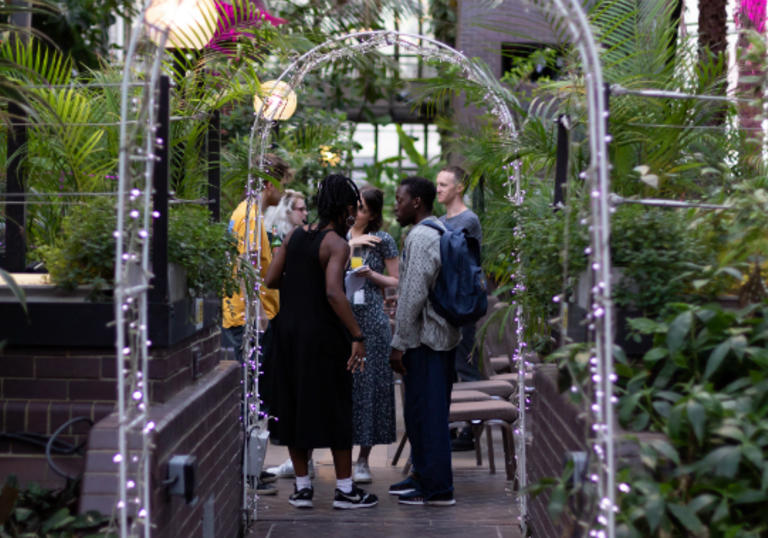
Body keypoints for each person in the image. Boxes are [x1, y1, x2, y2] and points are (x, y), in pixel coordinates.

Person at [265, 173, 378, 510]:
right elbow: (333, 291)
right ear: (344, 208)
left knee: (294, 407)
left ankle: (302, 489)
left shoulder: (295, 236)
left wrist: (298, 282)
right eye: (353, 208)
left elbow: (271, 278)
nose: (353, 214)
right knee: (336, 407)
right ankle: (345, 490)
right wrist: (357, 335)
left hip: (287, 334)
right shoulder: (336, 244)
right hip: (322, 338)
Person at [388, 176, 461, 507]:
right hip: (438, 337)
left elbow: (413, 295)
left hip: (426, 341)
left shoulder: (420, 237)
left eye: (399, 199)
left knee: (428, 415)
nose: (395, 205)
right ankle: (421, 475)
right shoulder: (438, 230)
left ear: (416, 202)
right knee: (421, 412)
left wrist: (398, 342)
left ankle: (437, 488)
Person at [220, 153, 290, 495]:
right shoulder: (249, 216)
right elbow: (248, 268)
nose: (283, 191)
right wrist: (258, 316)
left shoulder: (248, 214)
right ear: (269, 182)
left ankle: (251, 469)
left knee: (253, 396)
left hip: (245, 315)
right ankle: (248, 472)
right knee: (250, 396)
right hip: (245, 318)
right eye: (282, 182)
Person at [346, 187, 399, 483]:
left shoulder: (383, 241)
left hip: (372, 319)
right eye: (355, 207)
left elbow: (395, 279)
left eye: (363, 209)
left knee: (370, 386)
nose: (357, 213)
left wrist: (371, 275)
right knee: (342, 386)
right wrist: (350, 243)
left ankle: (363, 459)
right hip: (342, 319)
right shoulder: (338, 236)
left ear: (374, 214)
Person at [436, 165, 485, 452]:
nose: (439, 189)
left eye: (444, 184)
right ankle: (455, 424)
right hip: (446, 301)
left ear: (459, 188)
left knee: (465, 362)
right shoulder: (441, 219)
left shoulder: (468, 220)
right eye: (438, 184)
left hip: (463, 301)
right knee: (450, 366)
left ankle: (471, 426)